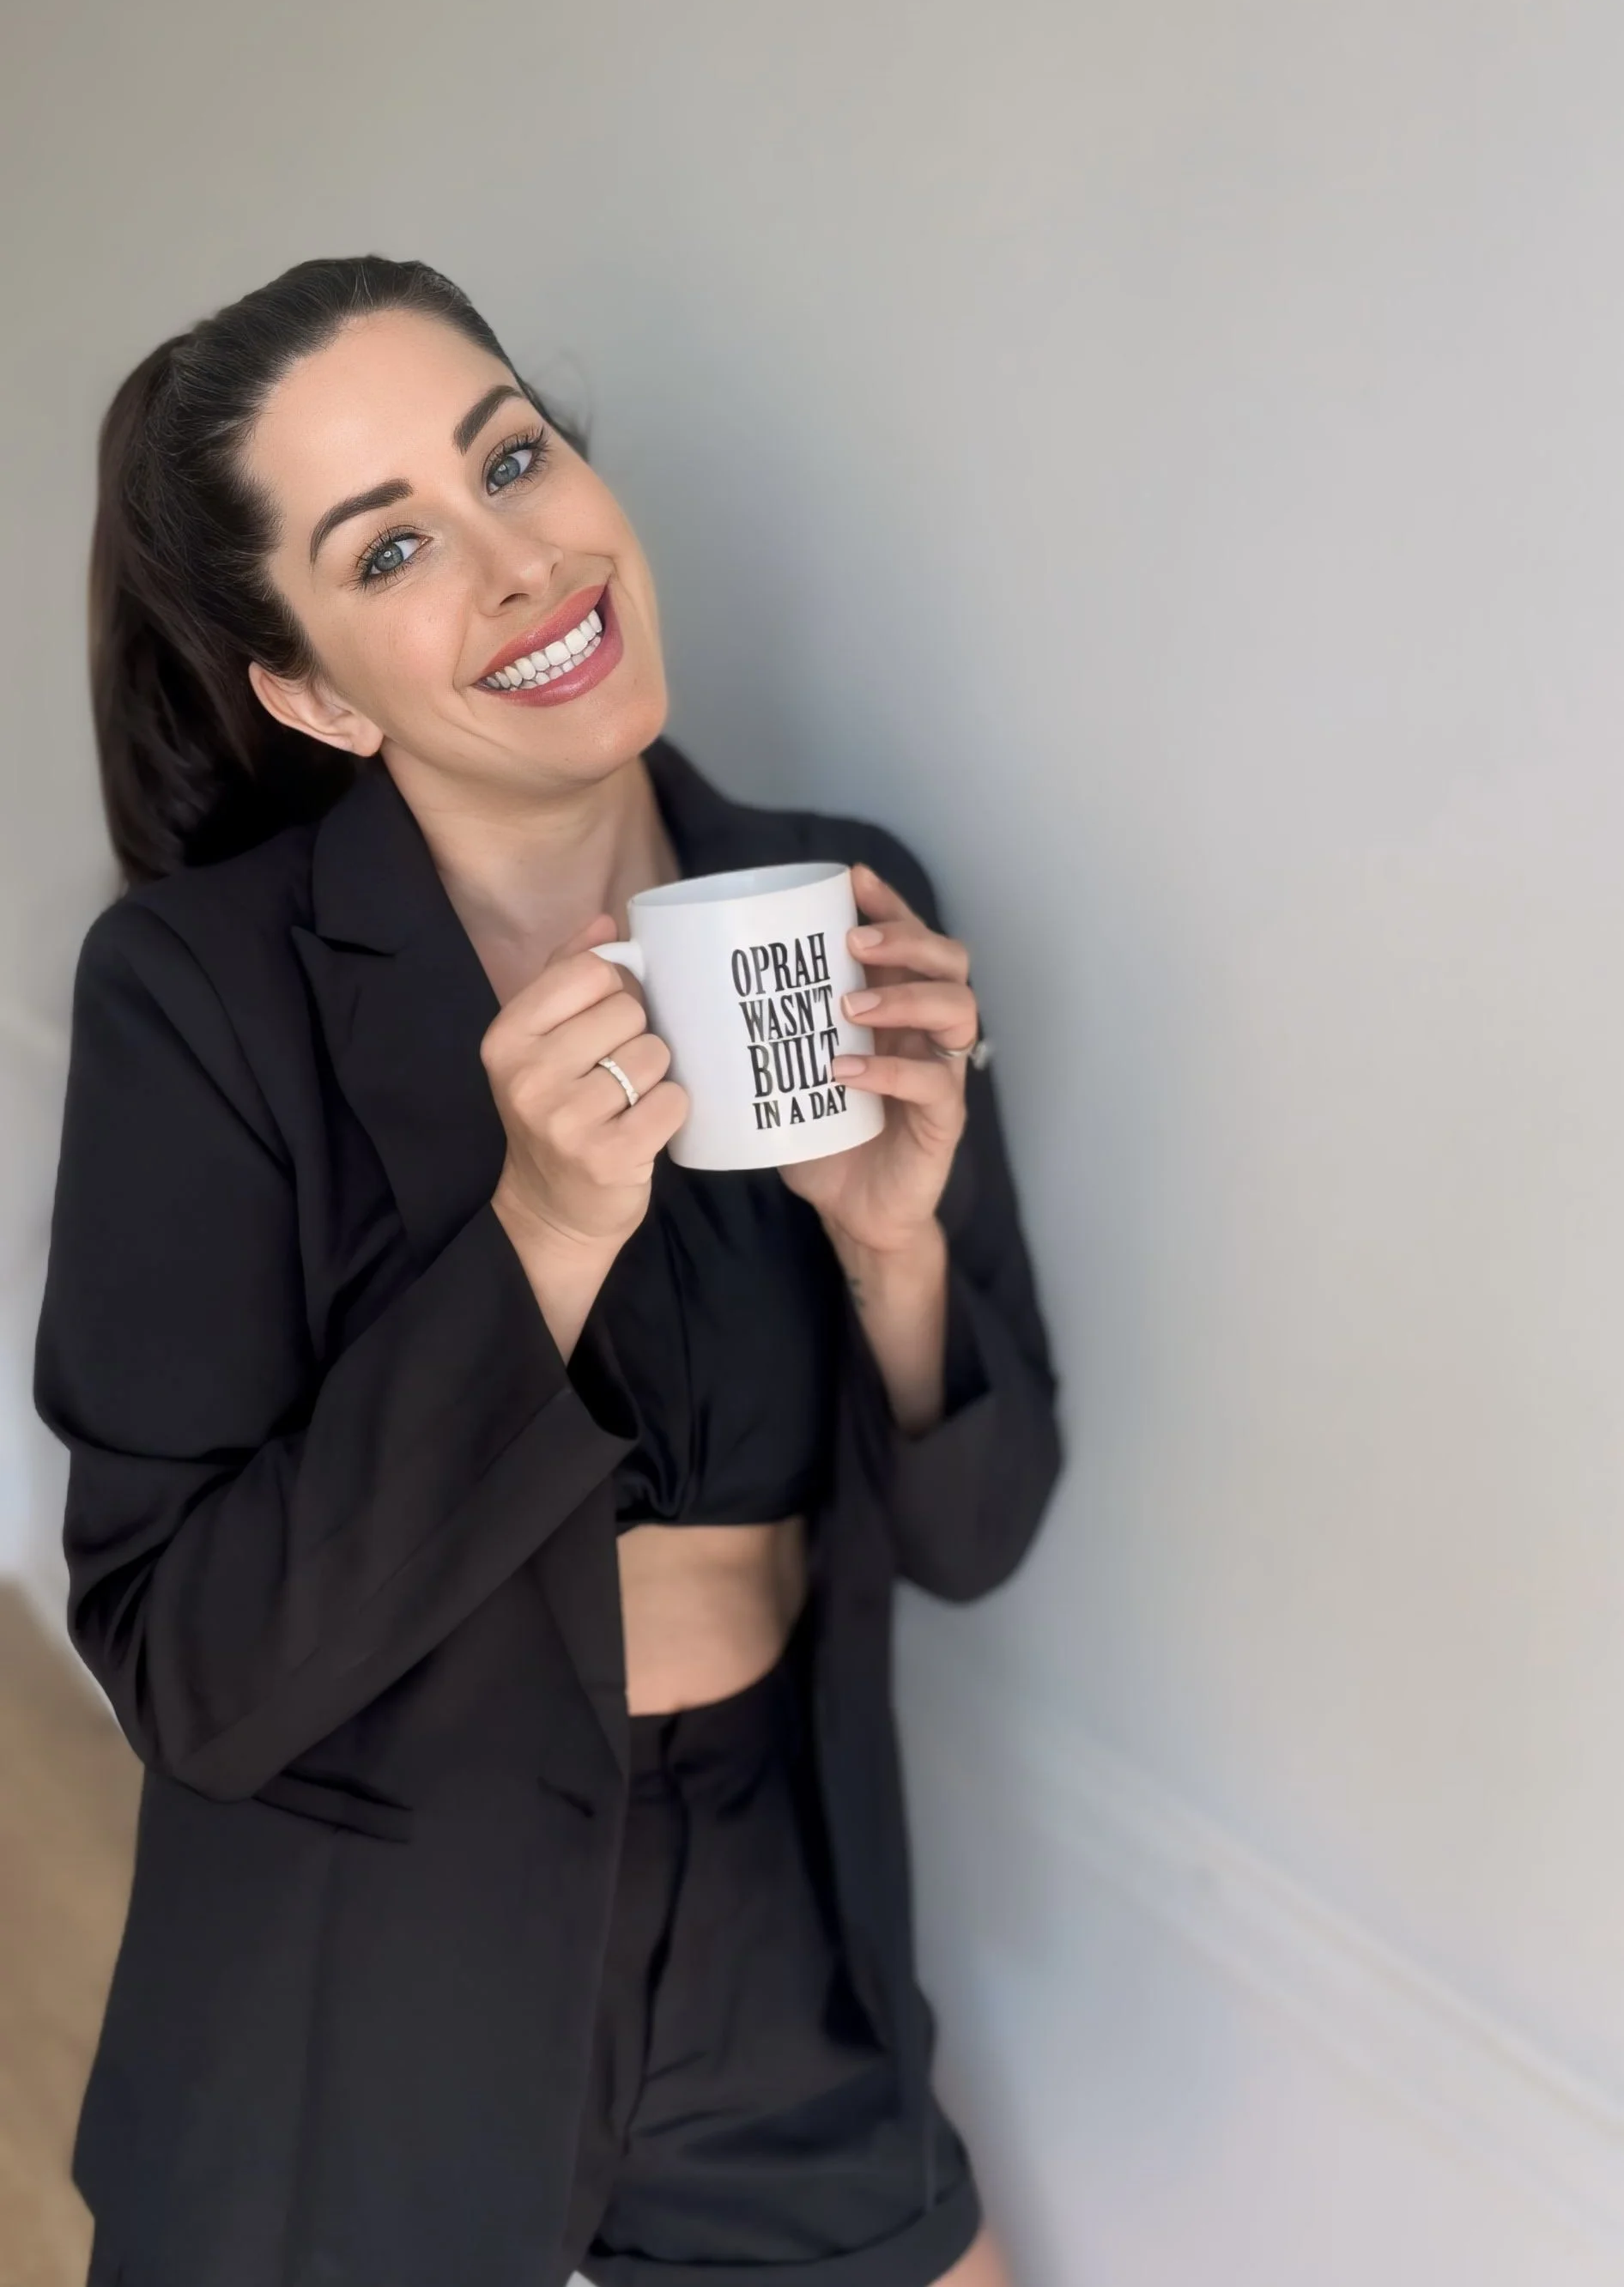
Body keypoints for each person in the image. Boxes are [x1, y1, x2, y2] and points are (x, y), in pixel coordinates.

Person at [33, 255, 1064, 2287]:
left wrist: (892, 1252)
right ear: (316, 691)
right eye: (394, 544)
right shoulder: (200, 995)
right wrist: (539, 1236)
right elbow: (193, 1674)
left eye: (513, 455)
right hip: (367, 1968)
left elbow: (977, 1529)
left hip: (779, 1931)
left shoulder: (848, 904)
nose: (518, 561)